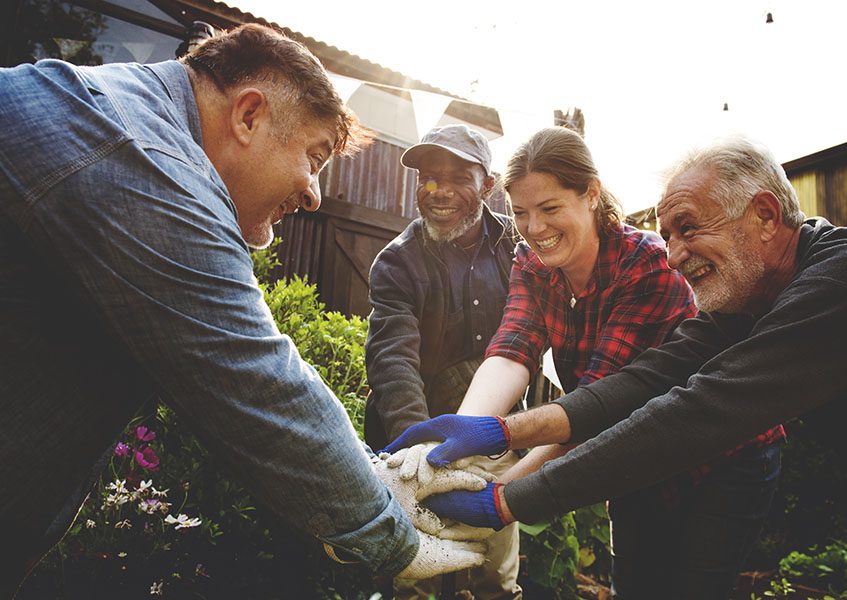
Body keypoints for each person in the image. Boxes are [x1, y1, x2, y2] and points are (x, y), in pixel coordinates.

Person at [0, 23, 486, 598]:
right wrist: (391, 538)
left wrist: (372, 474)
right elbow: (257, 380)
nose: (314, 194)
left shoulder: (130, 119)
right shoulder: (146, 159)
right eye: (314, 156)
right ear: (249, 115)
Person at [387, 136, 847, 599]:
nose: (675, 255)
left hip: (716, 462)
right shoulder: (745, 300)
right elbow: (642, 381)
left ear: (765, 216)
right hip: (643, 455)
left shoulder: (845, 281)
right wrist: (492, 431)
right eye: (668, 233)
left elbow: (697, 411)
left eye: (690, 229)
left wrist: (505, 500)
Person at [364, 123, 521, 598]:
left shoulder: (516, 249)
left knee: (494, 573)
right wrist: (419, 450)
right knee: (413, 573)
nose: (440, 191)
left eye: (458, 177)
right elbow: (393, 358)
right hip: (417, 434)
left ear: (487, 185)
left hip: (492, 435)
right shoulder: (398, 263)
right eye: (429, 177)